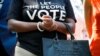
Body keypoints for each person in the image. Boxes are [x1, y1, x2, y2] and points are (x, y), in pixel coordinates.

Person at [7, 0, 76, 56]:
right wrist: (40, 25)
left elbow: (72, 28)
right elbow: (11, 24)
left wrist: (55, 24)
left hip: (59, 51)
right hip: (27, 50)